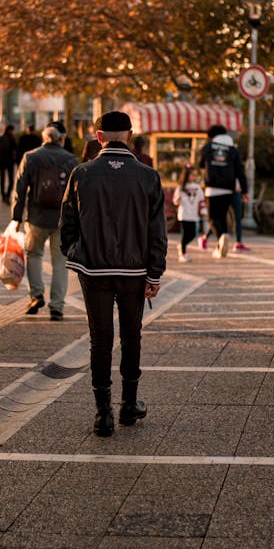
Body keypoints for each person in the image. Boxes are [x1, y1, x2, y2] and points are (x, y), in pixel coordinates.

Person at [60, 111, 167, 437]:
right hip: (134, 270)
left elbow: (66, 226)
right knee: (131, 335)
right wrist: (154, 273)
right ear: (130, 136)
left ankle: (102, 413)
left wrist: (78, 254)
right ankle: (128, 405)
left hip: (94, 269)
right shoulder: (148, 176)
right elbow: (157, 232)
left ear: (99, 136)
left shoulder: (82, 173)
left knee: (100, 338)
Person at [11, 121, 77, 321]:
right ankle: (57, 306)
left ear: (44, 138)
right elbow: (76, 192)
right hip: (61, 220)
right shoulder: (71, 159)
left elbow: (20, 189)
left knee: (34, 255)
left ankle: (36, 295)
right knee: (60, 261)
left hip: (36, 218)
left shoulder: (31, 157)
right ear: (60, 139)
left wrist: (16, 217)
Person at [199, 124, 248, 259]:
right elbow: (240, 171)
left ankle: (222, 236)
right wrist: (245, 191)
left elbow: (200, 163)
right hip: (228, 189)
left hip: (212, 188)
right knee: (222, 217)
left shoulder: (208, 147)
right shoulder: (233, 149)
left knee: (212, 219)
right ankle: (220, 245)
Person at [172, 164, 205, 262]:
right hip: (184, 214)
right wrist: (177, 200)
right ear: (186, 175)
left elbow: (202, 199)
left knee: (193, 234)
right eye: (192, 175)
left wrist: (203, 209)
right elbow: (175, 200)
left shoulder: (197, 187)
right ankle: (183, 253)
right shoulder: (181, 187)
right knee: (186, 234)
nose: (194, 177)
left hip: (194, 215)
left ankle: (182, 245)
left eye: (195, 175)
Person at [0, 124, 17, 203]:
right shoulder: (12, 139)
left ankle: (3, 195)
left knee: (2, 178)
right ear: (9, 130)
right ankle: (7, 195)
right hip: (10, 161)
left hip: (1, 161)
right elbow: (16, 149)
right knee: (11, 180)